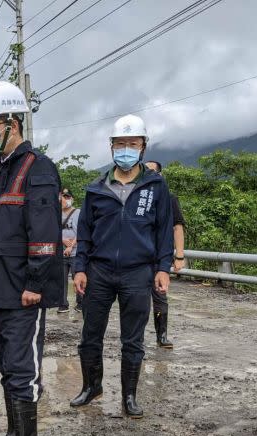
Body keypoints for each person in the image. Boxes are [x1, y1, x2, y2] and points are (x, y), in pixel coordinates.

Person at [0, 81, 62, 436]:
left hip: (24, 291)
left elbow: (44, 235)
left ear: (13, 123)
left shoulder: (36, 167)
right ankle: (13, 432)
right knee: (8, 363)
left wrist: (35, 286)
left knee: (25, 369)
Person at [70, 115, 173, 417]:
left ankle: (129, 395)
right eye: (120, 144)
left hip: (138, 272)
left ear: (143, 147)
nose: (126, 149)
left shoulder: (155, 187)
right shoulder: (96, 188)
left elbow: (164, 231)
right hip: (98, 272)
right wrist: (79, 268)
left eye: (132, 143)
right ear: (111, 146)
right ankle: (92, 386)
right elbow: (84, 233)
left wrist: (163, 268)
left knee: (133, 338)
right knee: (90, 334)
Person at [144, 160, 186, 348]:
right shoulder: (136, 198)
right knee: (137, 297)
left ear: (160, 175)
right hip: (138, 257)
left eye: (152, 172)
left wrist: (179, 256)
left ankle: (162, 335)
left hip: (160, 257)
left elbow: (177, 227)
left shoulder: (169, 199)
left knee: (160, 295)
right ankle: (136, 336)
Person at [58, 189, 81, 313]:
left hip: (76, 252)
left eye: (67, 197)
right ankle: (63, 304)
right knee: (61, 279)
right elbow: (53, 231)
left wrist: (71, 246)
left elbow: (82, 231)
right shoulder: (57, 214)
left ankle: (81, 303)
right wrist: (62, 240)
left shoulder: (78, 213)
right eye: (63, 196)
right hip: (61, 252)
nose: (65, 199)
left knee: (77, 277)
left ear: (72, 199)